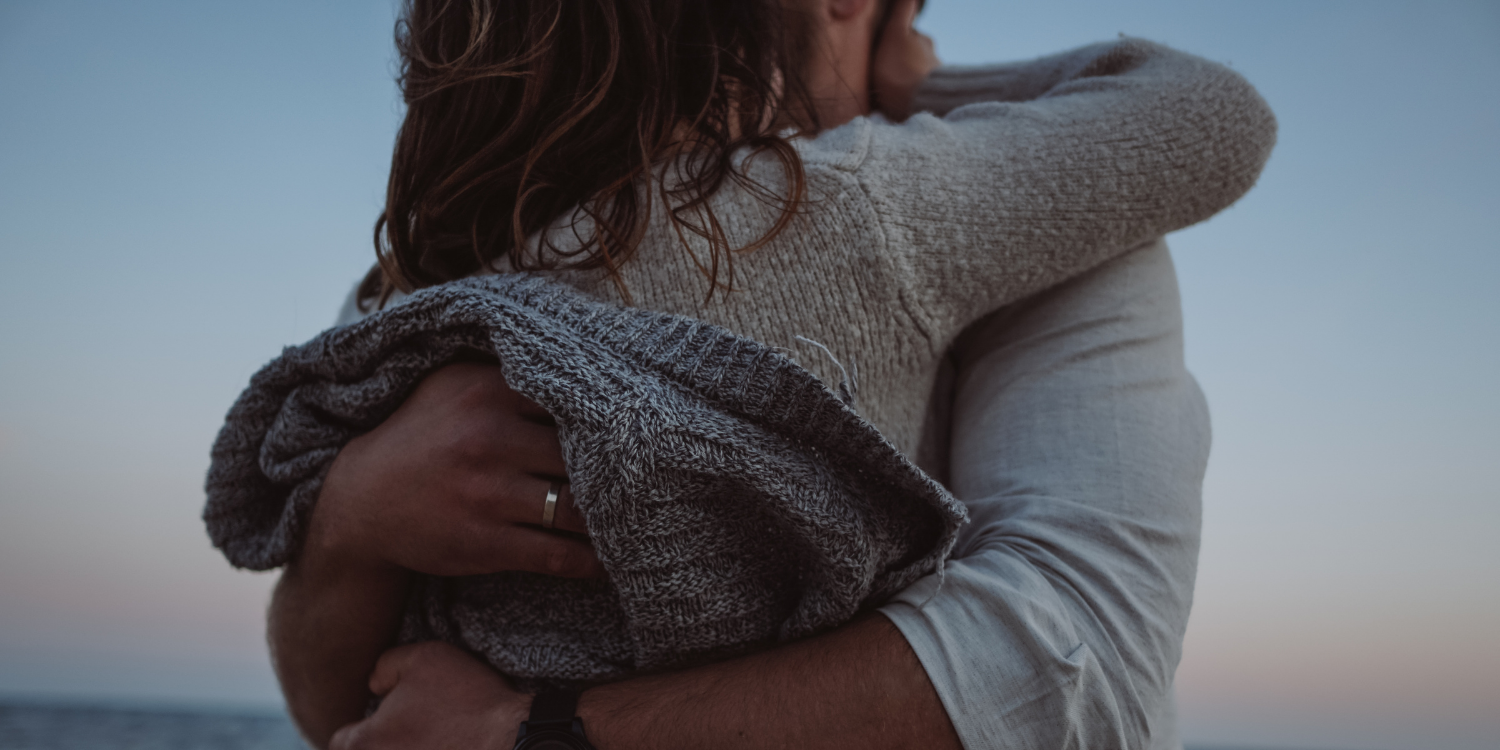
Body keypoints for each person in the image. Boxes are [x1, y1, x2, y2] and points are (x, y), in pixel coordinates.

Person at [264, 0, 1274, 747]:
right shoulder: (869, 207)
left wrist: (354, 529)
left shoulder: (422, 292)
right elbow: (1216, 117)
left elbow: (350, 718)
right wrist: (924, 85)